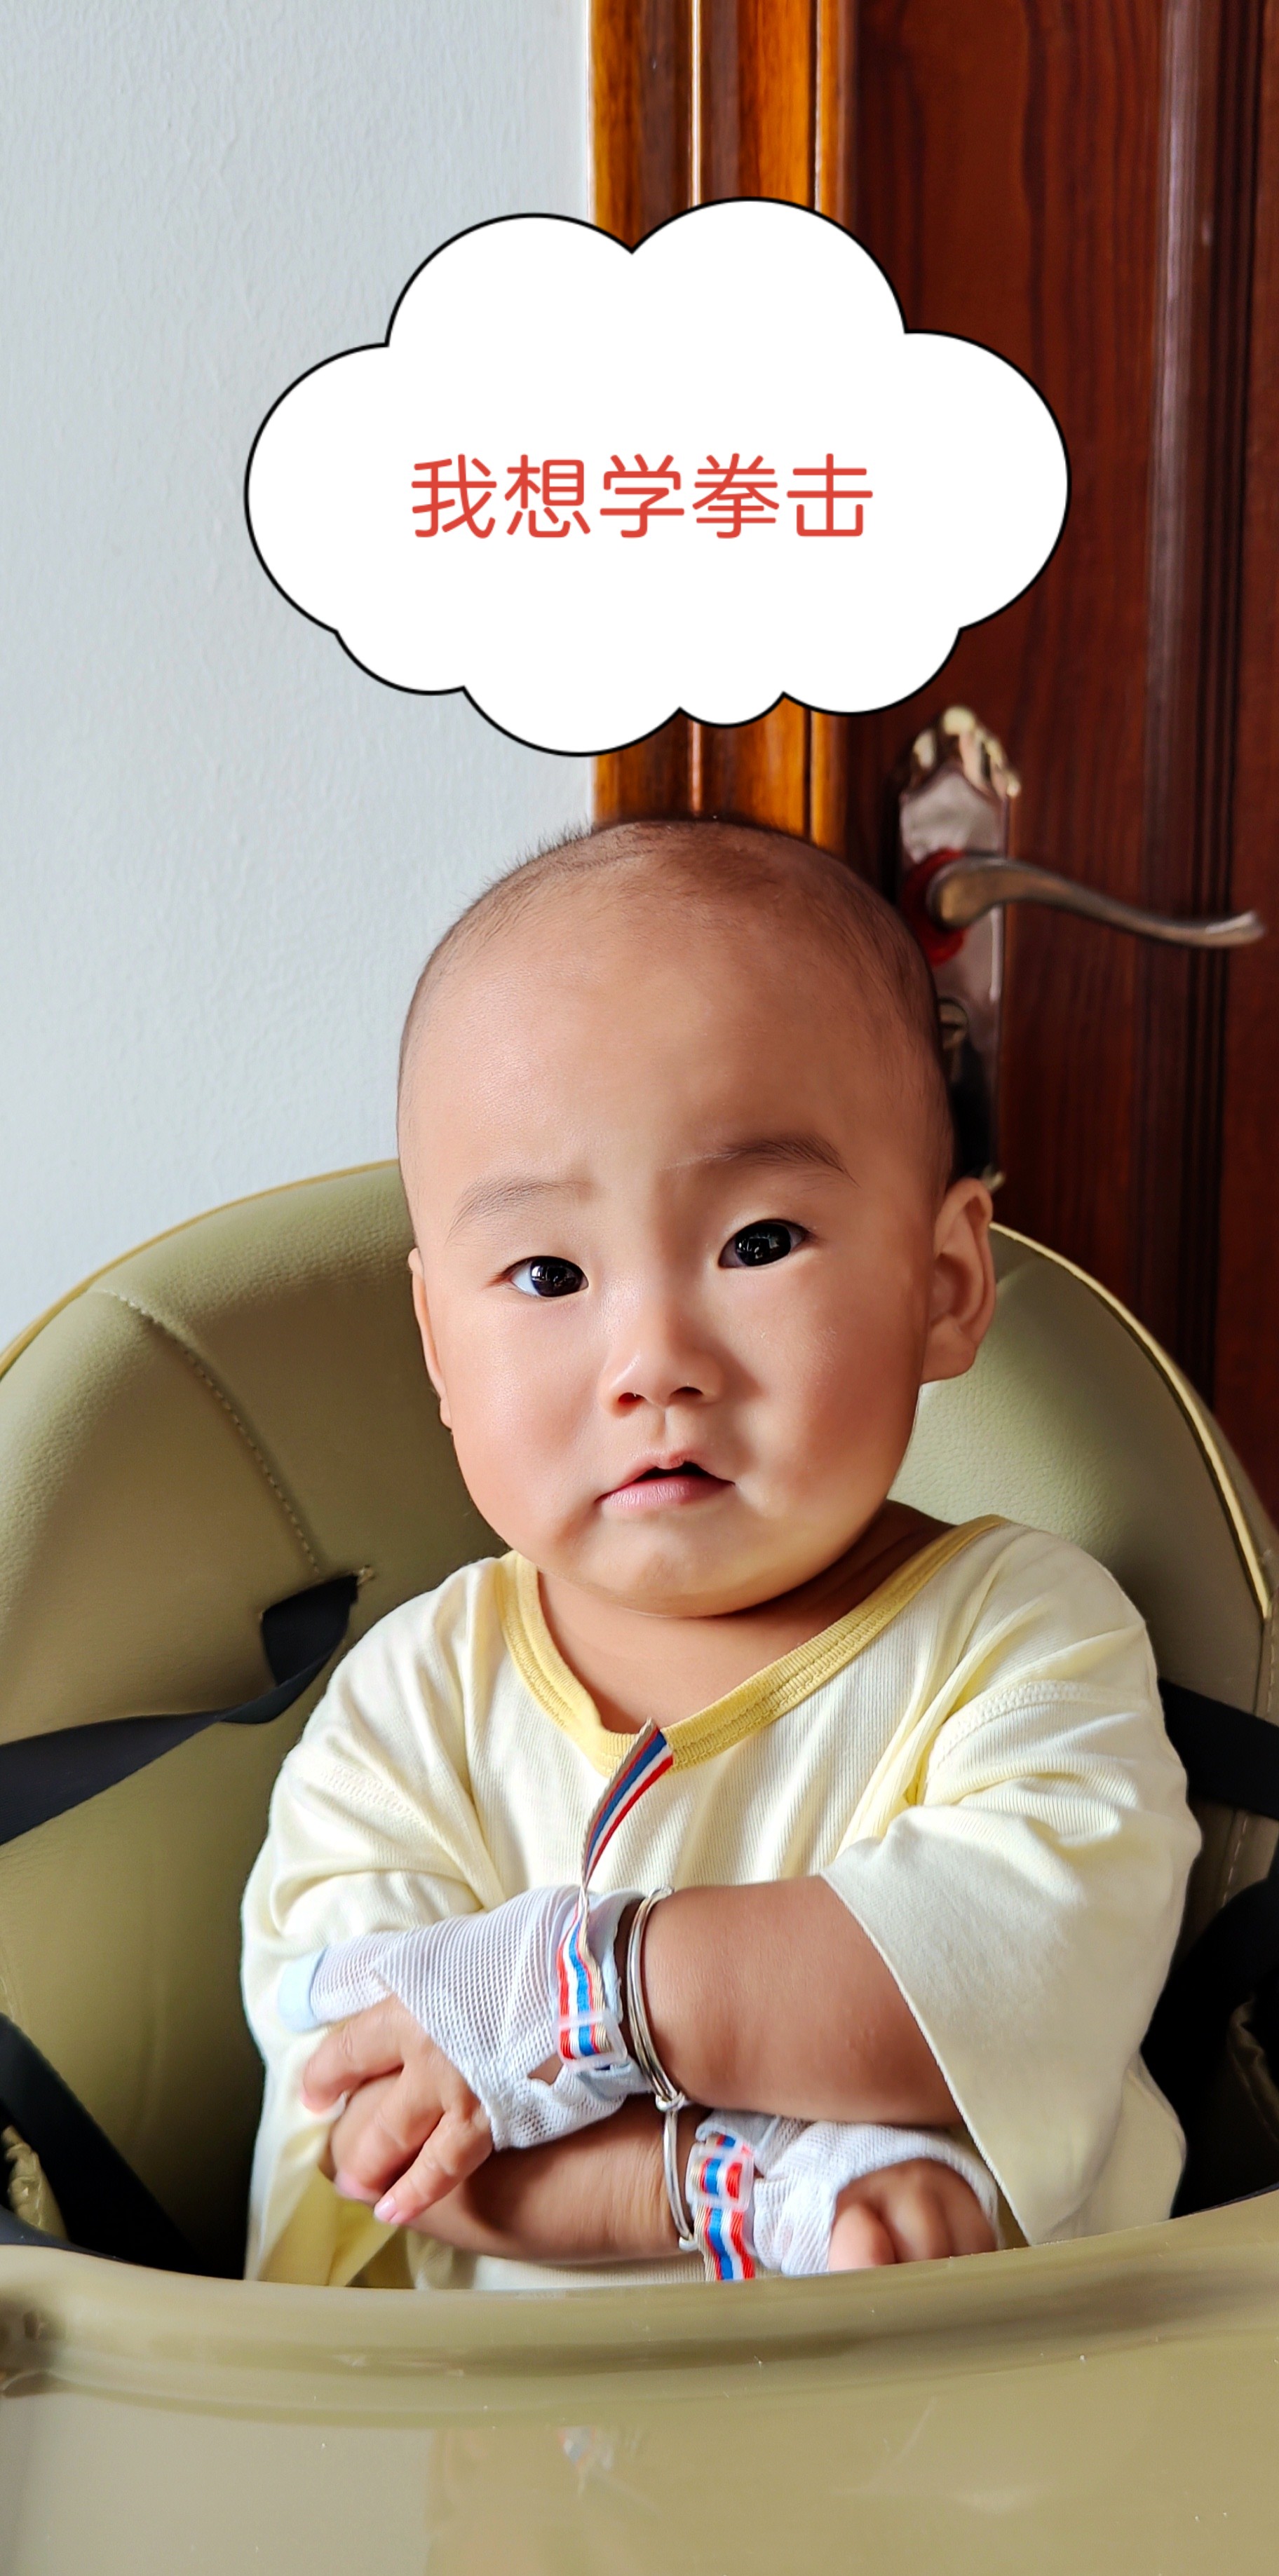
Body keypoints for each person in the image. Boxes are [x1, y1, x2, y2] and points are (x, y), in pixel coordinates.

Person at [241, 819, 1199, 2292]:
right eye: (548, 1272)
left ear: (945, 1282)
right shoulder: (404, 1714)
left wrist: (573, 1992)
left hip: (947, 2424)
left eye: (758, 1243)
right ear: (437, 1343)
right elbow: (380, 2132)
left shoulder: (1028, 1635)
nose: (653, 1362)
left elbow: (991, 1980)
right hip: (510, 2437)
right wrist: (733, 2188)